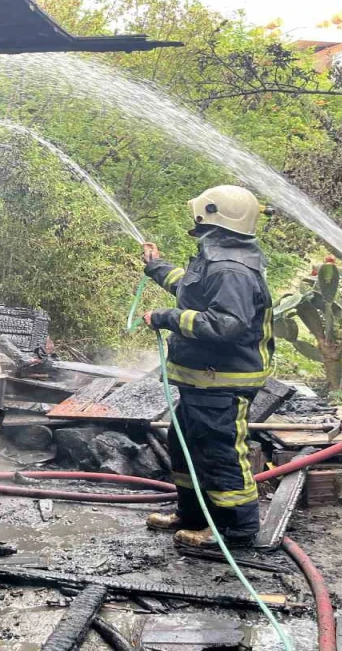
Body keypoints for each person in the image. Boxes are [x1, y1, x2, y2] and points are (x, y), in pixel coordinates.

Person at [139, 185, 275, 549]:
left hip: (222, 383)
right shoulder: (219, 256)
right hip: (202, 381)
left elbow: (226, 325)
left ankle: (235, 531)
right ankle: (193, 515)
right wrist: (156, 268)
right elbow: (190, 288)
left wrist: (166, 318)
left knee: (220, 454)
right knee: (184, 447)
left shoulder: (232, 269)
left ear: (211, 214)